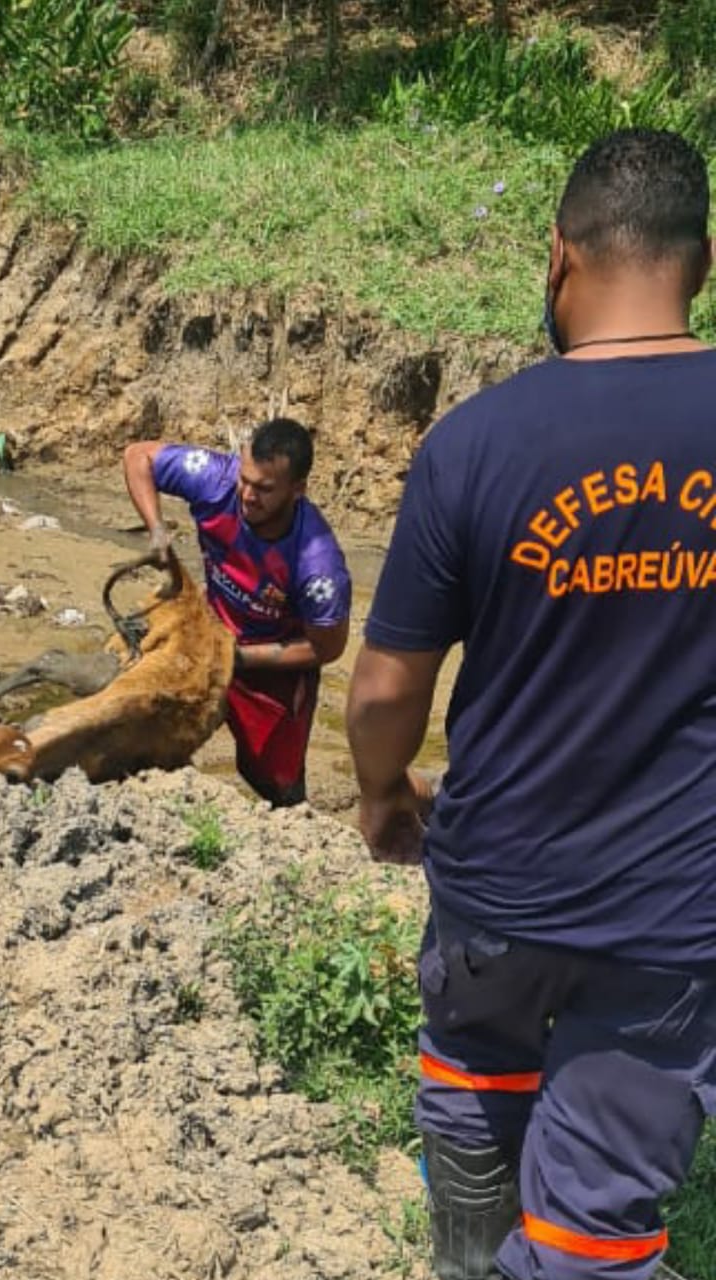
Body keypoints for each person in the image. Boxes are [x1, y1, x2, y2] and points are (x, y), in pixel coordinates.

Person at [347, 127, 716, 1280]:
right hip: (672, 908)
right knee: (591, 1223)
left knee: (471, 1082)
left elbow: (382, 687)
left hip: (496, 884)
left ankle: (470, 1260)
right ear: (699, 263)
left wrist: (377, 796)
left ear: (556, 258)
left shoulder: (475, 444)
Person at [124, 417, 351, 806]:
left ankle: (298, 828)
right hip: (209, 627)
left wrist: (239, 658)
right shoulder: (215, 479)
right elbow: (137, 457)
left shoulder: (317, 564)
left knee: (271, 778)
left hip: (270, 667)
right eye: (245, 480)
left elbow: (326, 648)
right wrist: (158, 533)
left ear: (297, 490)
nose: (247, 495)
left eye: (264, 489)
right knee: (141, 718)